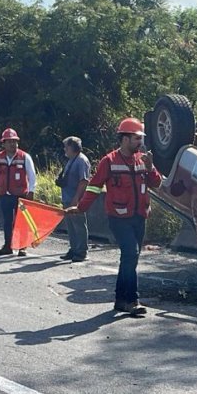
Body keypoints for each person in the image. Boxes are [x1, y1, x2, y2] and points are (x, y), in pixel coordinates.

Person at [66, 117, 162, 316]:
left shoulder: (142, 160)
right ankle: (132, 300)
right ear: (125, 139)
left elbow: (156, 183)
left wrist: (151, 167)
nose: (140, 142)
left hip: (139, 216)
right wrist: (81, 207)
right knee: (130, 254)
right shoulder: (108, 161)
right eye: (136, 138)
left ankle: (120, 300)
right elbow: (93, 186)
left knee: (131, 259)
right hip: (119, 218)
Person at [0, 127, 37, 256]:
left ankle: (22, 247)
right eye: (9, 141)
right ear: (3, 143)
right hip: (5, 195)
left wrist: (31, 191)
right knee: (7, 222)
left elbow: (32, 176)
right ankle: (8, 246)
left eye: (14, 141)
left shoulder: (25, 156)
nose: (12, 144)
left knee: (21, 222)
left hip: (21, 195)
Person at [57, 136, 91, 262]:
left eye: (66, 146)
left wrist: (76, 199)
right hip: (67, 198)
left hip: (75, 200)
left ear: (72, 147)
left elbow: (83, 181)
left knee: (79, 225)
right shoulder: (71, 160)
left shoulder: (81, 160)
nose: (64, 149)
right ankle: (74, 249)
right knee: (71, 226)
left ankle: (82, 251)